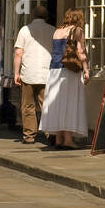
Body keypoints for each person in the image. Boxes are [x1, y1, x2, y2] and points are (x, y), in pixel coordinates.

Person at [38, 9, 88, 149]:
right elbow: (81, 52)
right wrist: (86, 69)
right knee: (69, 103)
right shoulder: (77, 31)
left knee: (57, 103)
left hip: (54, 70)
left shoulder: (57, 31)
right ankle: (68, 140)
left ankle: (59, 138)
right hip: (69, 70)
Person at [13, 5, 55, 145]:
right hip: (46, 73)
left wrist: (16, 73)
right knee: (47, 105)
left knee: (28, 106)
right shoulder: (52, 30)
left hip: (28, 74)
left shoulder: (25, 30)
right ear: (46, 16)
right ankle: (50, 134)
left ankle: (29, 136)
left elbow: (19, 53)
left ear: (33, 16)